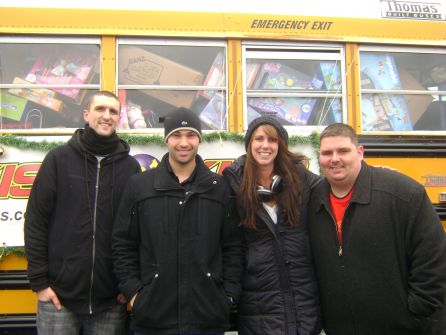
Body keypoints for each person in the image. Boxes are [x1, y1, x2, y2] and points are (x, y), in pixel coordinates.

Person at [112, 107, 244, 335]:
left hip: (206, 318)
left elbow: (233, 247)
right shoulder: (140, 186)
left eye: (191, 135)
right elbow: (123, 244)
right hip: (153, 319)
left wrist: (228, 295)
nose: (184, 142)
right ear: (166, 139)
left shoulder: (219, 188)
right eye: (176, 135)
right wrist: (135, 293)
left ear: (199, 139)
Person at [308, 123, 446, 335]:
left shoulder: (402, 193)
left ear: (360, 152)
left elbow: (433, 256)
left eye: (343, 151)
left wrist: (417, 311)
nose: (334, 158)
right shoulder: (313, 200)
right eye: (327, 153)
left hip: (404, 327)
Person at [24, 90, 141, 335]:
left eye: (113, 111)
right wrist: (40, 283)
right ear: (86, 114)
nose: (106, 116)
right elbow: (36, 221)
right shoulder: (58, 160)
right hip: (58, 300)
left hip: (110, 301)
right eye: (100, 109)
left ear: (119, 118)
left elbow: (137, 230)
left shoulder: (130, 168)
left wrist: (127, 285)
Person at [223, 116, 322, 335]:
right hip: (259, 307)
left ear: (281, 146)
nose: (265, 145)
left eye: (272, 140)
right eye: (259, 139)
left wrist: (372, 174)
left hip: (303, 307)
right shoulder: (233, 184)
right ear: (249, 144)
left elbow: (337, 186)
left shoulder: (302, 179)